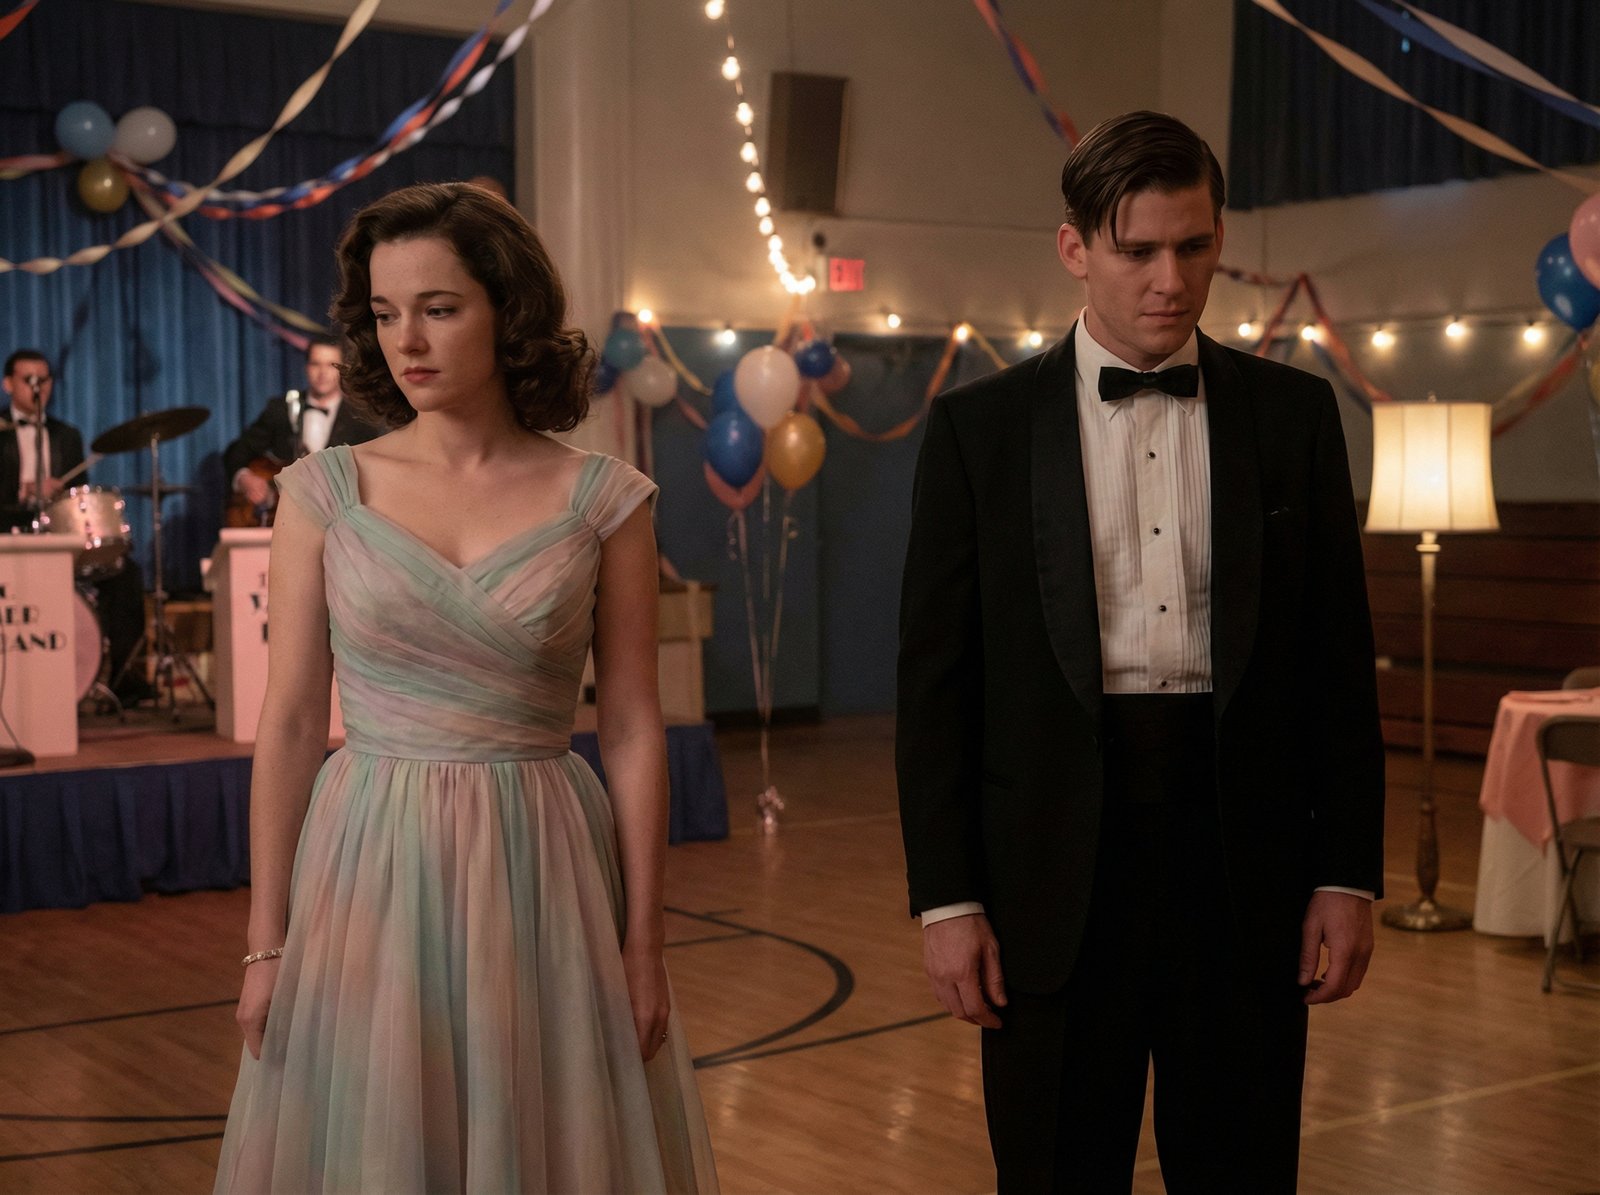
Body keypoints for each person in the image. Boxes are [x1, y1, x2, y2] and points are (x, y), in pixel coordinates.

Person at [896, 111, 1385, 1193]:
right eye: (1138, 251)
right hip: (1048, 876)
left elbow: (1336, 667)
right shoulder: (980, 430)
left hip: (1244, 866)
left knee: (1242, 1169)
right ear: (1075, 248)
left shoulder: (1295, 416)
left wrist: (1347, 870)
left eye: (1194, 247)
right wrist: (947, 899)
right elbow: (934, 688)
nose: (1171, 280)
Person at [213, 183, 719, 1192]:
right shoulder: (323, 493)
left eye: (438, 308)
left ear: (508, 311)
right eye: (385, 313)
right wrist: (265, 944)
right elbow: (293, 719)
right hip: (369, 858)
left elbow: (629, 724)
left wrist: (644, 942)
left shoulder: (604, 501)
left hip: (545, 861)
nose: (408, 340)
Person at [1, 350, 151, 706]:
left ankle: (123, 682)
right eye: (28, 380)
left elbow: (77, 498)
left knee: (125, 573)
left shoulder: (67, 435)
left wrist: (59, 494)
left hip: (59, 540)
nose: (38, 387)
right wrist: (23, 491)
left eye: (44, 380)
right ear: (8, 384)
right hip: (9, 538)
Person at [222, 334, 382, 523]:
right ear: (306, 367)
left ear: (343, 369)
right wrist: (245, 479)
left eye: (331, 365)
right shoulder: (281, 409)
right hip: (284, 519)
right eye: (316, 364)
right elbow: (237, 452)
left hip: (343, 521)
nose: (322, 373)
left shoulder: (361, 418)